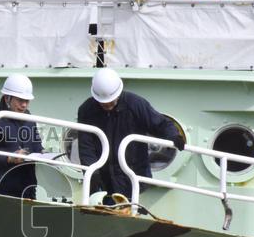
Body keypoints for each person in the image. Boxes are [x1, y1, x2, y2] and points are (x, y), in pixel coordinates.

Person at [77, 68, 184, 198]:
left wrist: (173, 135)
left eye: (110, 101)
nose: (107, 105)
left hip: (133, 175)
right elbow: (86, 147)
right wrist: (92, 174)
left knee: (128, 210)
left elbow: (159, 123)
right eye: (103, 102)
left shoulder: (135, 104)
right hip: (103, 178)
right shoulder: (87, 110)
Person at [0, 74, 45, 199]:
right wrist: (9, 158)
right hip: (3, 189)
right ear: (7, 98)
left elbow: (37, 145)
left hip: (28, 189)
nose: (24, 105)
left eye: (27, 101)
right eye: (20, 100)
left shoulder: (29, 119)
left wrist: (44, 154)